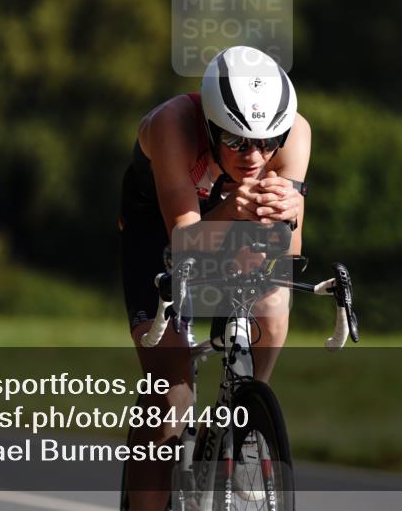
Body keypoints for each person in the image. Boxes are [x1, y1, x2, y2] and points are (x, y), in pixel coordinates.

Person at [119, 46, 310, 510]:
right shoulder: (171, 126)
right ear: (209, 125)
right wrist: (233, 208)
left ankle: (244, 419)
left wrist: (287, 217)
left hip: (229, 216)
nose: (256, 155)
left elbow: (289, 255)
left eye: (268, 142)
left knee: (273, 309)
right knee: (171, 398)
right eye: (237, 141)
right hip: (161, 225)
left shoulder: (297, 134)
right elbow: (183, 243)